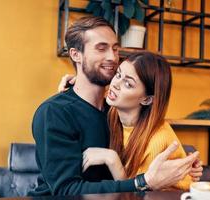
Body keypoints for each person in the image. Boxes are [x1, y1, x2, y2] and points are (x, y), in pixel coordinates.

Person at [30, 16, 201, 196]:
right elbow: (66, 191)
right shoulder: (55, 113)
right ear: (75, 54)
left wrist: (187, 167)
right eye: (101, 48)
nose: (112, 57)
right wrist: (142, 182)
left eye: (115, 48)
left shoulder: (117, 109)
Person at [77, 51, 200, 190]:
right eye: (118, 74)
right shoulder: (114, 112)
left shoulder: (157, 140)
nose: (115, 84)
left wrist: (111, 159)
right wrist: (72, 85)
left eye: (128, 84)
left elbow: (135, 192)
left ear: (146, 99)